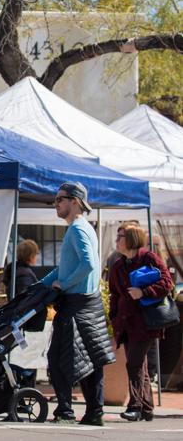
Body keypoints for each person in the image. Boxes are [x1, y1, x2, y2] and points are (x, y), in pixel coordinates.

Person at [40, 182, 115, 425]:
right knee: (90, 360)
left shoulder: (77, 230)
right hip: (86, 304)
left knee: (59, 359)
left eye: (59, 199)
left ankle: (65, 411)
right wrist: (42, 284)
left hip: (77, 303)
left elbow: (88, 265)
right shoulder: (84, 228)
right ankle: (94, 412)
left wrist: (64, 284)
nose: (56, 204)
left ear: (75, 201)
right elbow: (67, 267)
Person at [108, 223, 173, 422]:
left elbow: (166, 282)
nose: (117, 240)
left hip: (145, 321)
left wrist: (143, 292)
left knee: (134, 364)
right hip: (126, 323)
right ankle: (146, 408)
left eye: (121, 236)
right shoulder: (118, 265)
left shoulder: (148, 258)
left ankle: (135, 406)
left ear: (131, 239)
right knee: (139, 365)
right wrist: (114, 316)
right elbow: (114, 294)